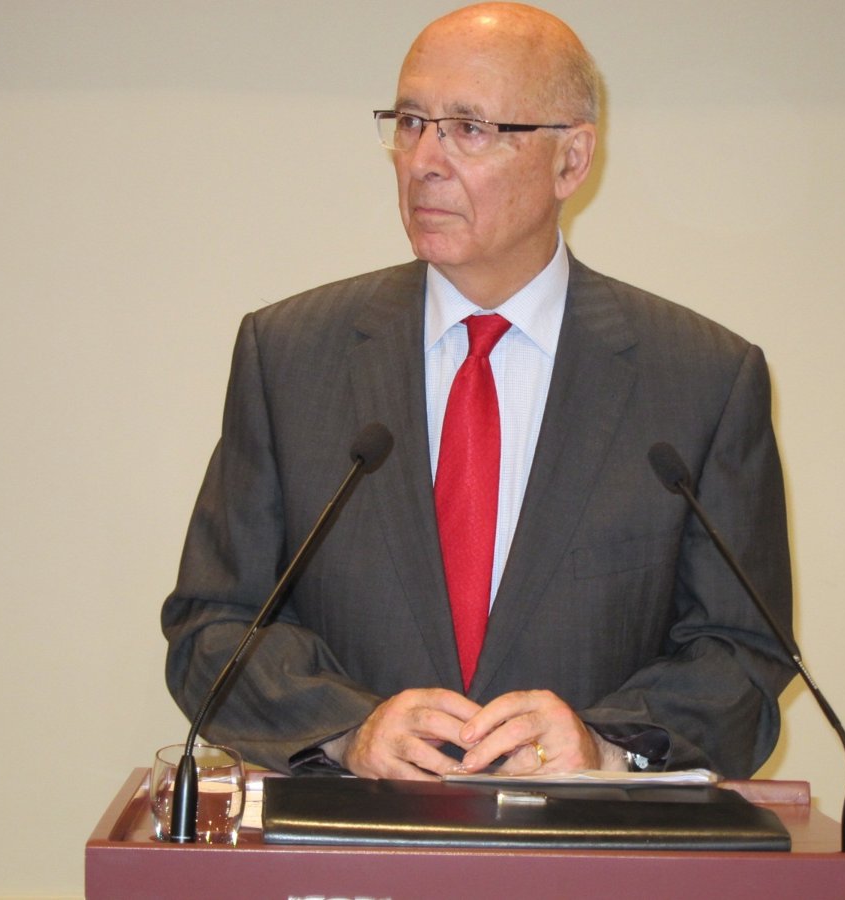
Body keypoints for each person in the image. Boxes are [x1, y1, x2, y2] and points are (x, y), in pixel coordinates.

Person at [162, 2, 794, 782]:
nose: (423, 160)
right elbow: (212, 626)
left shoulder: (701, 380)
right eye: (410, 122)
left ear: (571, 161)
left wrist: (606, 746)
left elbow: (744, 656)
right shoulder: (290, 356)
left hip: (586, 841)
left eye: (469, 128)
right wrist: (348, 730)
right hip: (353, 840)